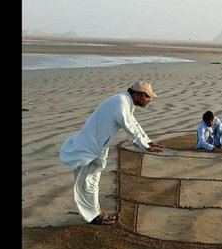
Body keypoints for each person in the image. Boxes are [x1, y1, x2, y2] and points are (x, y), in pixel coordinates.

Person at [60, 80, 164, 225]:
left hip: (99, 146)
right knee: (88, 182)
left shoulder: (125, 101)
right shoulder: (121, 102)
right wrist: (145, 146)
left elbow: (133, 123)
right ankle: (94, 216)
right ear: (138, 94)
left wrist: (147, 141)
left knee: (92, 181)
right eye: (147, 97)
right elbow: (128, 125)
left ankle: (95, 213)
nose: (149, 100)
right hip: (90, 147)